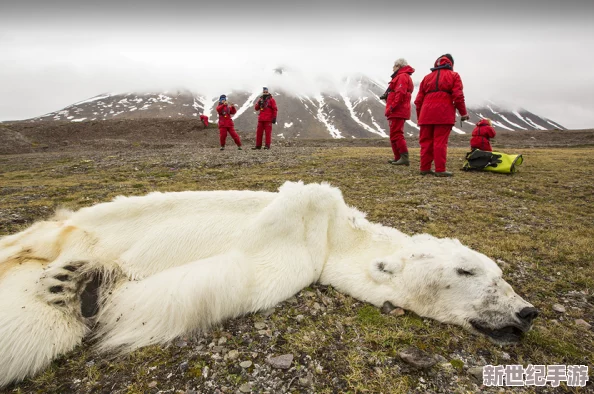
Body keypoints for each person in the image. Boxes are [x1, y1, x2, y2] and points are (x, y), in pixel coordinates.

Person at [414, 54, 469, 177]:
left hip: (426, 114)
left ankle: (424, 168)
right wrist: (463, 113)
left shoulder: (426, 78)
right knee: (440, 142)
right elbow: (458, 96)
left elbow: (418, 101)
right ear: (451, 64)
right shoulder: (454, 76)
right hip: (444, 113)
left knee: (425, 142)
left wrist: (420, 117)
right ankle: (440, 170)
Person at [383, 58, 415, 166]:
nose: (392, 68)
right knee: (394, 134)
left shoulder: (402, 76)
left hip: (397, 110)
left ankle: (404, 157)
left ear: (398, 66)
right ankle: (398, 157)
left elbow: (400, 93)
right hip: (397, 110)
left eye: (394, 66)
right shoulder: (402, 76)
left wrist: (392, 107)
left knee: (397, 134)